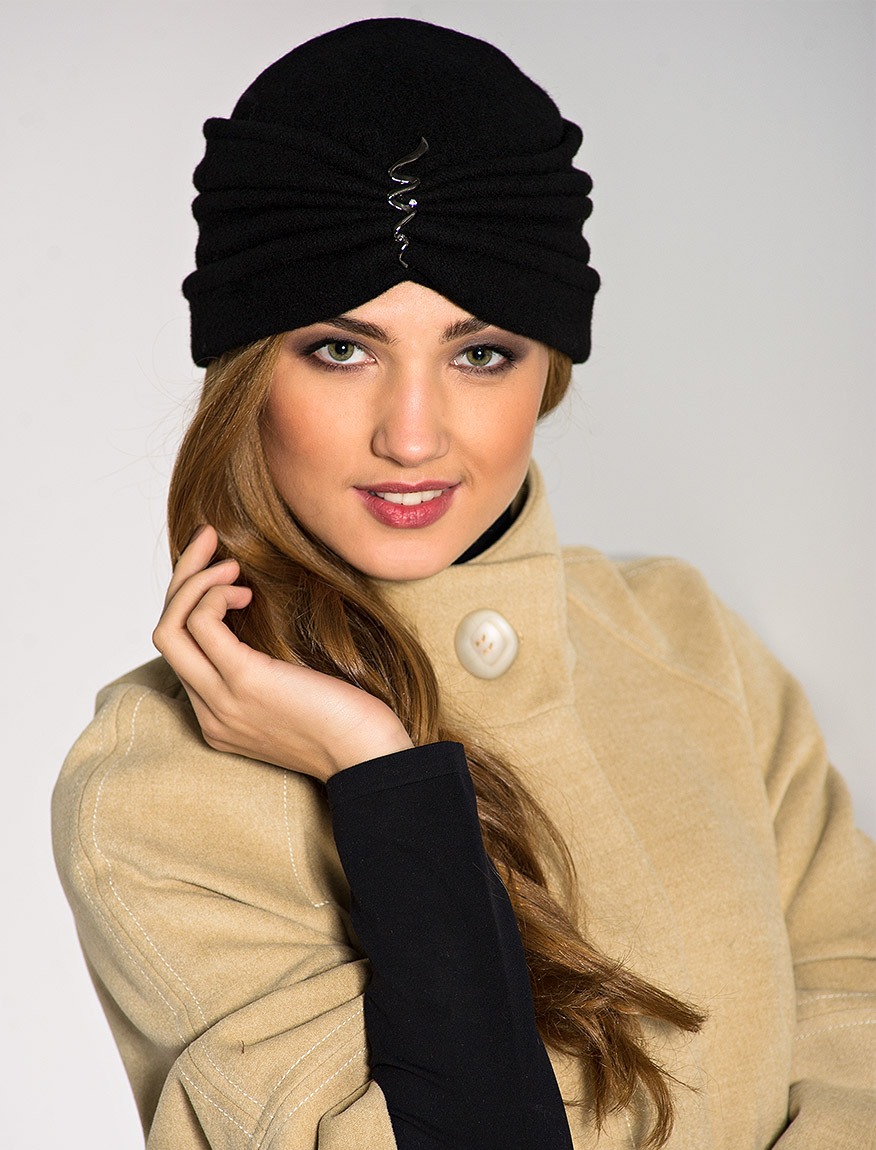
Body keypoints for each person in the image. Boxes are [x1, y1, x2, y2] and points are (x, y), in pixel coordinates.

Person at [51, 17, 875, 1150]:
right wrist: (381, 777)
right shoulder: (155, 789)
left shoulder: (693, 646)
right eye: (343, 348)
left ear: (548, 371)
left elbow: (856, 1021)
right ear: (248, 369)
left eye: (480, 352)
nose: (411, 435)